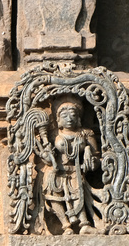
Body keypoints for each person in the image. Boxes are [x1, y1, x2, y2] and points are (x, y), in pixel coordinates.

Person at [42, 98, 99, 235]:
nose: (69, 119)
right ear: (58, 119)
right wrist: (47, 155)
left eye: (73, 115)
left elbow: (96, 157)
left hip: (76, 171)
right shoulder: (54, 134)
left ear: (78, 117)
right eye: (64, 116)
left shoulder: (86, 134)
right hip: (56, 171)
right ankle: (65, 225)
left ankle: (84, 223)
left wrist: (89, 158)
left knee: (78, 193)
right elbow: (46, 158)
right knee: (53, 195)